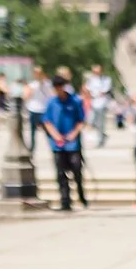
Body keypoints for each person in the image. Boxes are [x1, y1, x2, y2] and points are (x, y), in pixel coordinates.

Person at [42, 75, 89, 210]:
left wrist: (73, 134)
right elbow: (47, 121)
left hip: (72, 144)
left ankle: (81, 196)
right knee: (61, 174)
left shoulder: (75, 101)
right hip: (58, 144)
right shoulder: (51, 103)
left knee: (77, 171)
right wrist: (55, 136)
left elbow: (81, 120)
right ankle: (65, 201)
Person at [84, 63, 114, 147]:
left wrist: (96, 93)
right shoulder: (91, 80)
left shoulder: (106, 79)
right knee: (92, 121)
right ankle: (102, 134)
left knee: (101, 122)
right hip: (94, 103)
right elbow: (87, 89)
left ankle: (101, 140)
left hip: (102, 103)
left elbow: (105, 91)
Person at [24, 66, 49, 149]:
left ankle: (32, 149)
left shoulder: (33, 85)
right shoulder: (47, 83)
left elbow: (26, 96)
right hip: (38, 109)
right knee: (45, 131)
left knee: (35, 131)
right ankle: (32, 149)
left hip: (37, 109)